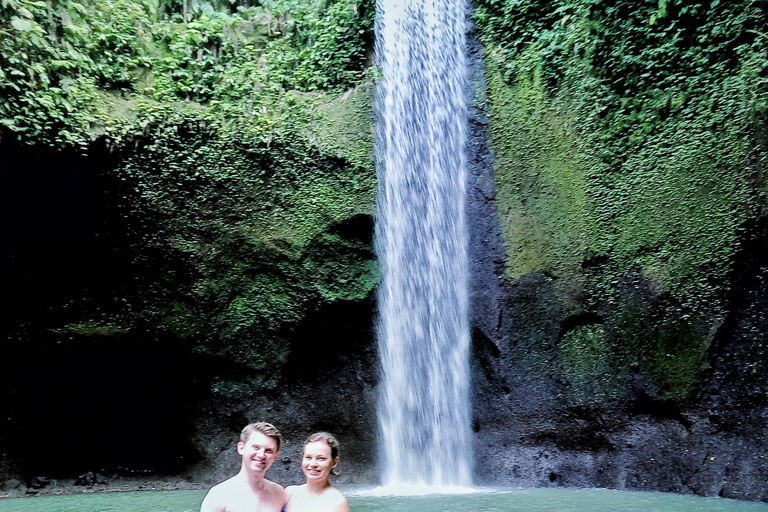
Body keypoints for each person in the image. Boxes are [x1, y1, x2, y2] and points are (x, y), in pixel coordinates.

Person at [200, 422, 288, 512]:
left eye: (268, 451)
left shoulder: (279, 493)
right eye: (256, 447)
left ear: (275, 456)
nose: (261, 455)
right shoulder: (219, 495)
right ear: (241, 448)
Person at [284, 432, 350, 512]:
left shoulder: (338, 503)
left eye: (321, 458)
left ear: (334, 462)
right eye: (308, 457)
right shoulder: (290, 493)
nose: (313, 464)